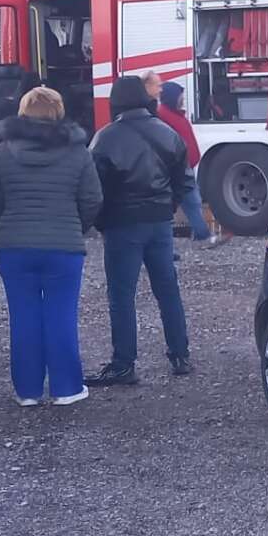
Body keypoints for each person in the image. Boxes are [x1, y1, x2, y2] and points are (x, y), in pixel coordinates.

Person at [0, 87, 103, 407]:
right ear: (58, 112)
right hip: (63, 247)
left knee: (22, 317)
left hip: (14, 247)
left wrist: (5, 226)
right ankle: (66, 388)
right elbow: (92, 199)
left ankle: (27, 391)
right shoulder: (78, 151)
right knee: (61, 316)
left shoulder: (4, 151)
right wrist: (75, 228)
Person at [86, 76, 195, 386]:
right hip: (160, 222)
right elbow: (184, 182)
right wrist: (167, 206)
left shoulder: (105, 138)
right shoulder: (168, 132)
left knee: (122, 295)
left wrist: (101, 221)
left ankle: (124, 364)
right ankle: (180, 355)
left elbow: (94, 189)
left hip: (122, 224)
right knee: (167, 289)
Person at [158, 82, 226, 247]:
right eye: (180, 96)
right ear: (172, 97)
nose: (182, 99)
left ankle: (198, 236)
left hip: (182, 166)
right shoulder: (164, 116)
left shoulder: (171, 114)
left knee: (188, 203)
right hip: (178, 168)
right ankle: (202, 236)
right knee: (190, 202)